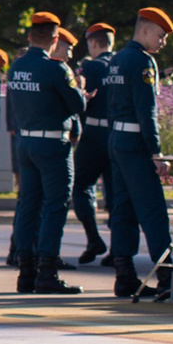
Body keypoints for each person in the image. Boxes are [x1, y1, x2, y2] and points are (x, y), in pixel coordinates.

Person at [6, 12, 88, 295]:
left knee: (28, 205)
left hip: (26, 142)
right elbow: (77, 104)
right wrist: (82, 91)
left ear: (30, 36)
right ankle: (47, 272)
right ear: (55, 40)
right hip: (53, 145)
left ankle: (25, 272)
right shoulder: (56, 68)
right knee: (55, 206)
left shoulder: (16, 67)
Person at [104, 9, 173, 300]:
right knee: (153, 211)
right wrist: (156, 152)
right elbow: (147, 112)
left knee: (122, 210)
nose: (162, 43)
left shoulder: (117, 59)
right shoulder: (144, 62)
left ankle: (124, 276)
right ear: (145, 31)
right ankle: (167, 275)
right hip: (135, 143)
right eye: (160, 36)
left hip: (117, 140)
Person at [69, 23, 117, 267]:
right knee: (115, 192)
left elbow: (79, 100)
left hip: (93, 133)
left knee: (80, 187)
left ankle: (94, 238)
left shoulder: (90, 66)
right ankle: (118, 250)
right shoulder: (121, 64)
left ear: (93, 43)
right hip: (117, 134)